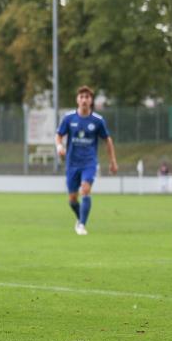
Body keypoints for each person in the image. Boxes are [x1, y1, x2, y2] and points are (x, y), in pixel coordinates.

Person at [56, 85, 118, 235]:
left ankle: (82, 225)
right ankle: (80, 218)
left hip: (89, 163)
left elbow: (107, 140)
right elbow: (59, 135)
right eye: (81, 97)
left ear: (91, 101)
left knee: (85, 189)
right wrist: (59, 146)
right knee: (72, 199)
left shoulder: (98, 120)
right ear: (77, 100)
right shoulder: (69, 118)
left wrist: (113, 161)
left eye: (87, 97)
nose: (84, 100)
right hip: (72, 163)